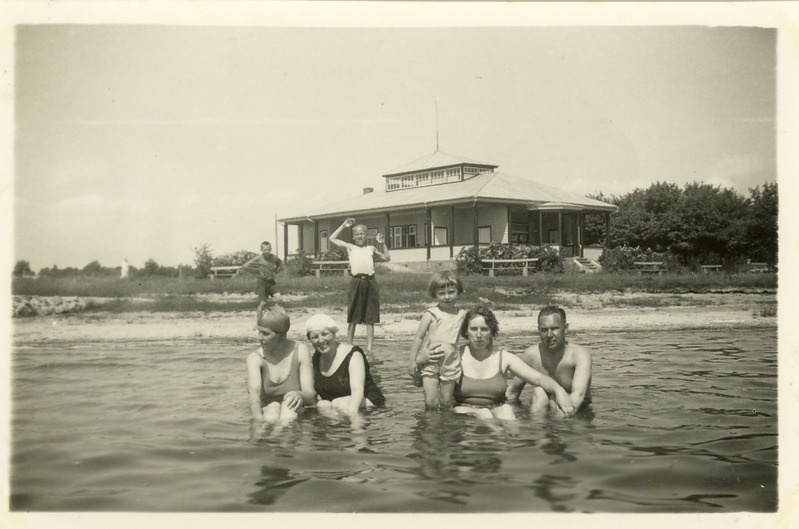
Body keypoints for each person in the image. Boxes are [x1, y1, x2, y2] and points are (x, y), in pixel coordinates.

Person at [417, 305, 574, 420]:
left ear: (492, 332)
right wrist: (420, 360)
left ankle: (515, 449)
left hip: (495, 410)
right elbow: (421, 383)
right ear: (466, 331)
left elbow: (538, 378)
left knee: (506, 410)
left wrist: (559, 390)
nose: (479, 335)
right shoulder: (454, 355)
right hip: (461, 415)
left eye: (484, 329)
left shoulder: (503, 357)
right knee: (484, 414)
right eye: (474, 329)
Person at [506, 305, 592, 415]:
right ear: (538, 330)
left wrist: (558, 428)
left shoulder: (579, 355)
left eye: (554, 328)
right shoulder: (531, 355)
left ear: (565, 329)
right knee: (540, 392)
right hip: (541, 409)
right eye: (544, 330)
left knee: (553, 399)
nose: (549, 335)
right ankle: (536, 429)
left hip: (577, 412)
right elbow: (513, 392)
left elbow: (578, 396)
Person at [328, 218, 390, 355]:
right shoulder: (351, 247)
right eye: (357, 234)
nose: (360, 236)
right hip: (356, 282)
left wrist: (383, 244)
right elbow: (332, 238)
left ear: (366, 235)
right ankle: (349, 346)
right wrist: (344, 225)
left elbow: (387, 258)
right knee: (353, 316)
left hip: (370, 282)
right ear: (353, 237)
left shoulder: (371, 249)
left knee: (370, 317)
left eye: (362, 234)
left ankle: (369, 348)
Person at [245, 306, 316, 426]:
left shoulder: (300, 351)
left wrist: (299, 394)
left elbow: (310, 395)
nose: (259, 338)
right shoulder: (254, 358)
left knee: (288, 406)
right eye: (259, 332)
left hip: (295, 411)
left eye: (265, 334)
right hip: (268, 411)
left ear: (282, 335)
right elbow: (254, 394)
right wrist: (258, 423)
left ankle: (279, 439)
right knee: (273, 409)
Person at [305, 313, 385, 417]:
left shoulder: (353, 354)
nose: (320, 340)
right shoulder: (316, 357)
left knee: (337, 404)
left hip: (368, 403)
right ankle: (337, 431)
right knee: (322, 404)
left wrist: (354, 422)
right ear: (310, 340)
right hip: (337, 406)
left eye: (325, 334)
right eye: (315, 337)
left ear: (334, 334)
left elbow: (357, 391)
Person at [408, 270, 467, 409]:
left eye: (451, 292)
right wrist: (412, 360)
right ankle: (430, 427)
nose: (447, 297)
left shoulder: (462, 314)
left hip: (451, 359)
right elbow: (419, 337)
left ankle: (447, 428)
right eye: (441, 293)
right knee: (431, 402)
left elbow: (470, 334)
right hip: (431, 358)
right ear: (434, 294)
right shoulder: (431, 314)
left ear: (459, 291)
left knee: (446, 401)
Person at [238, 242, 284, 313]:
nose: (267, 251)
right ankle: (259, 321)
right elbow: (246, 266)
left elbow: (280, 263)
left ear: (271, 249)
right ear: (261, 250)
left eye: (268, 249)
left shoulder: (274, 257)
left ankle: (275, 316)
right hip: (262, 282)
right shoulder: (258, 258)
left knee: (279, 298)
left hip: (271, 281)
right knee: (263, 303)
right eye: (265, 250)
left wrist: (277, 270)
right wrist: (257, 271)